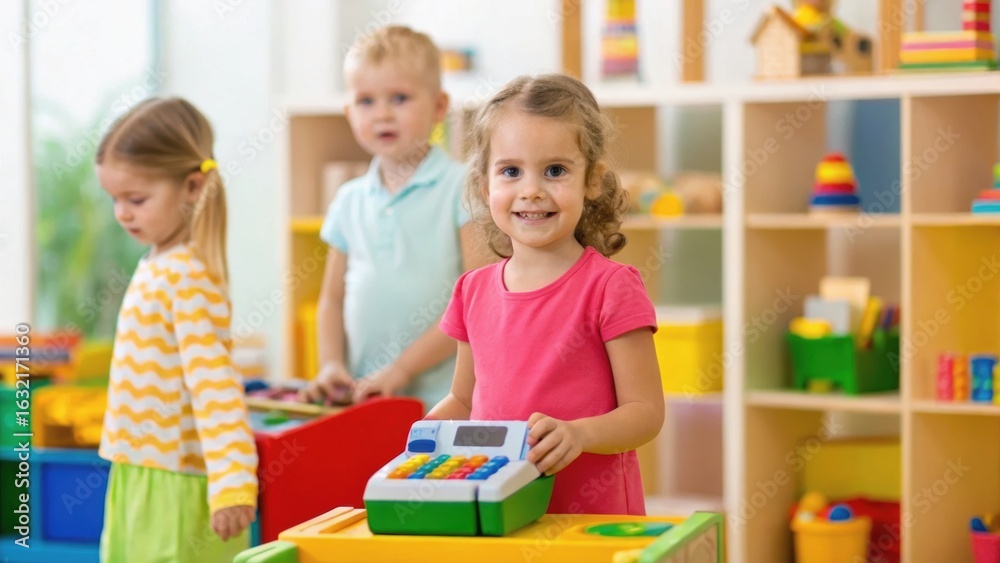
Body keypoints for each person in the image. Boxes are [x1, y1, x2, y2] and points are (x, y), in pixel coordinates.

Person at [427, 74, 665, 515]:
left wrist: (581, 435)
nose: (531, 190)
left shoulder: (611, 288)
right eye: (511, 171)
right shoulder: (472, 291)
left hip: (590, 521)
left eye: (555, 170)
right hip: (499, 512)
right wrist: (428, 431)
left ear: (592, 181)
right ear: (485, 186)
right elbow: (462, 399)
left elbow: (645, 411)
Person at [95, 97, 257, 562]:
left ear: (192, 187)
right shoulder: (158, 262)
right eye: (115, 200)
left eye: (136, 199)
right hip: (141, 467)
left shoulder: (187, 275)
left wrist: (232, 483)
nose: (122, 213)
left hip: (175, 479)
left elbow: (216, 385)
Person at [299, 25, 484, 410]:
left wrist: (402, 369)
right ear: (350, 112)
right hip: (363, 397)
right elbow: (332, 299)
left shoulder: (461, 187)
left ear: (438, 107)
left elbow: (476, 304)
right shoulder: (349, 199)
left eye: (399, 98)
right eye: (366, 101)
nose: (382, 113)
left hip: (447, 402)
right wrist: (330, 364)